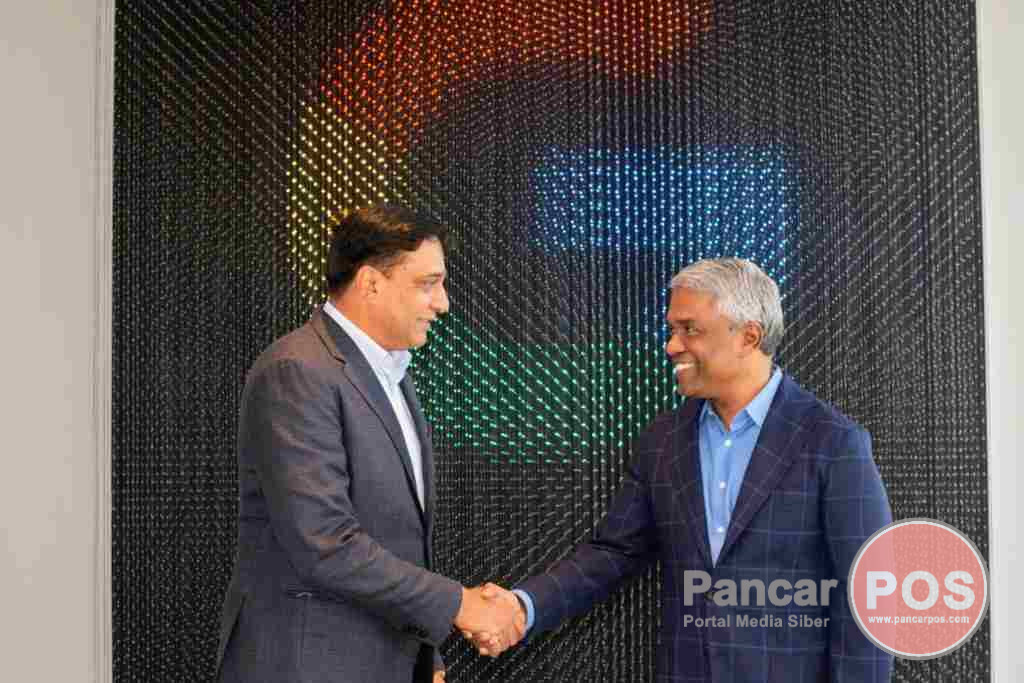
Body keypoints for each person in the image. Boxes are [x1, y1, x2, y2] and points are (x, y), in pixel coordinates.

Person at [472, 257, 894, 681]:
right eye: (672, 330)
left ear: (748, 336)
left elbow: (868, 596)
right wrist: (523, 607)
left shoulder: (833, 442)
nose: (672, 346)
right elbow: (614, 552)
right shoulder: (663, 440)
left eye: (690, 329)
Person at [216, 205, 521, 683]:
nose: (442, 303)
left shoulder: (390, 373)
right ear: (371, 283)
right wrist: (459, 604)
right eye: (428, 284)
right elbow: (326, 543)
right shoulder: (297, 371)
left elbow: (395, 542)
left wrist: (423, 657)